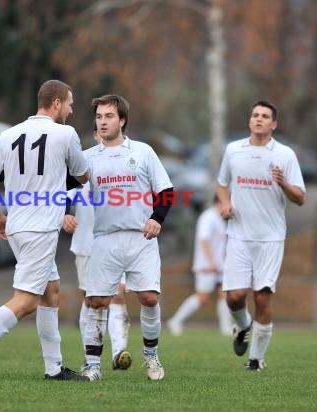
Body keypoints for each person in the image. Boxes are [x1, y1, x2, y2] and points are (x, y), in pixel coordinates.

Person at [0, 79, 90, 381]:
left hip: (17, 226)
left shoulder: (9, 135)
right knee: (26, 300)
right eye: (69, 103)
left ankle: (54, 369)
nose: (71, 108)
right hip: (40, 229)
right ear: (56, 103)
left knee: (51, 291)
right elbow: (83, 175)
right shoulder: (65, 134)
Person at [80, 94, 175, 381]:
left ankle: (151, 357)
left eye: (109, 116)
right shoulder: (87, 158)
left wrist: (157, 218)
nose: (103, 121)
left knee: (148, 298)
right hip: (105, 239)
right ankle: (92, 366)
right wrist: (63, 213)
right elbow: (65, 189)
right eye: (99, 117)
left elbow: (166, 191)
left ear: (122, 120)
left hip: (140, 239)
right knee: (97, 301)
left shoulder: (144, 152)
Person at [216, 100, 305, 371]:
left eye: (265, 116)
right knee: (234, 297)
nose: (259, 119)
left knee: (263, 297)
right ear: (249, 120)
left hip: (270, 238)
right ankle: (244, 326)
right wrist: (225, 204)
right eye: (255, 114)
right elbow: (222, 185)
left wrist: (283, 183)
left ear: (273, 124)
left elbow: (300, 198)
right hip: (239, 236)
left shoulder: (285, 155)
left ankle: (255, 360)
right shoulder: (233, 150)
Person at [62, 129, 132, 371]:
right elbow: (62, 194)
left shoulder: (127, 163)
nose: (105, 129)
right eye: (100, 123)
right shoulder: (83, 164)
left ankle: (119, 351)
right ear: (94, 134)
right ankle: (89, 354)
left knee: (118, 294)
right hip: (86, 244)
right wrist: (64, 216)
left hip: (117, 241)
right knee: (91, 300)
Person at [167, 196, 233, 337]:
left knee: (225, 293)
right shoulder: (208, 217)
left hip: (219, 266)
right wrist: (211, 262)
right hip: (207, 265)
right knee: (203, 297)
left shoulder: (219, 219)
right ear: (220, 201)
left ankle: (226, 328)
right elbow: (204, 240)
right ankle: (175, 321)